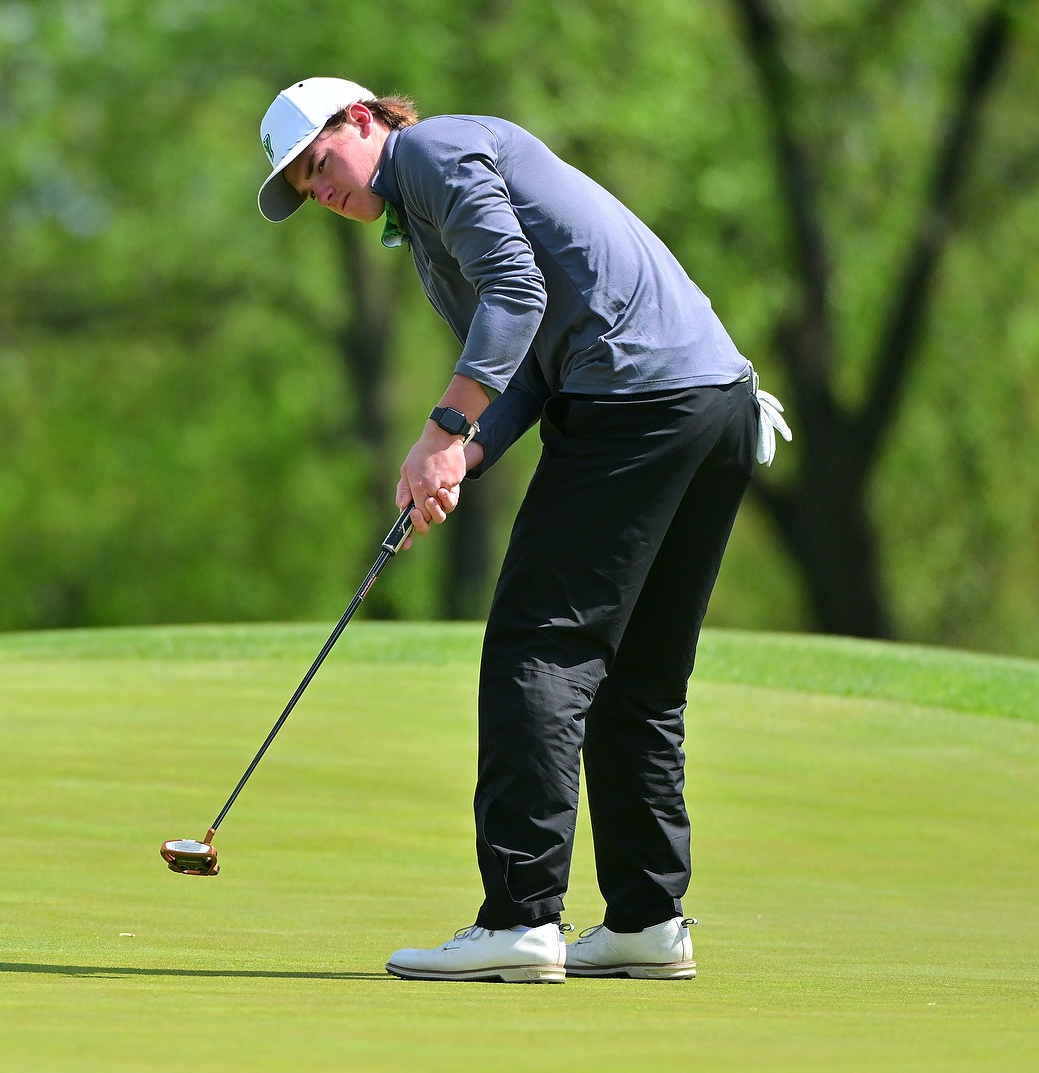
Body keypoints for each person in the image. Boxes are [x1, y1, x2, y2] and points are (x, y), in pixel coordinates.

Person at [256, 77, 788, 982]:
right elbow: (532, 368)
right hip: (712, 405)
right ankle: (647, 921)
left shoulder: (429, 153)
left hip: (638, 402)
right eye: (306, 187)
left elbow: (515, 287)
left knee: (535, 652)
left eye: (319, 162)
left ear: (362, 120)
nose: (322, 190)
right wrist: (462, 457)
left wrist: (440, 431)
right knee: (638, 678)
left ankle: (520, 919)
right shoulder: (426, 216)